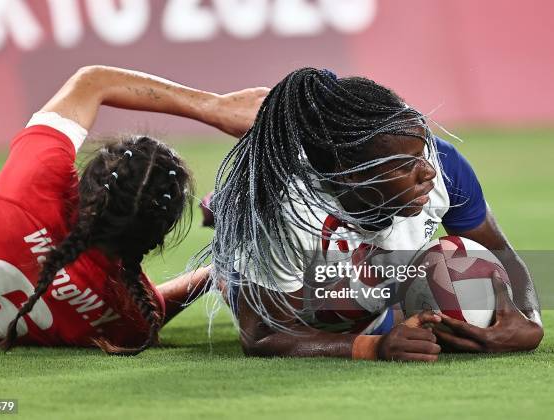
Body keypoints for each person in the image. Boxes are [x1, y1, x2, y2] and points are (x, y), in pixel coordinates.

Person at [207, 68, 543, 361]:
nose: (427, 171)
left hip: (371, 288)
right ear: (353, 175)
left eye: (422, 151)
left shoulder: (445, 165)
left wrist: (530, 322)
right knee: (303, 282)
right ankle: (221, 238)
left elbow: (504, 256)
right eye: (405, 165)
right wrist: (373, 347)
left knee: (447, 260)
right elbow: (262, 337)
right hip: (295, 295)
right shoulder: (288, 209)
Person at [0, 65, 268, 355]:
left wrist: (215, 107)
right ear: (156, 238)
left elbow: (92, 82)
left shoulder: (32, 184)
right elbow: (152, 308)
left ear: (88, 183)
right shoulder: (125, 318)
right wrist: (219, 267)